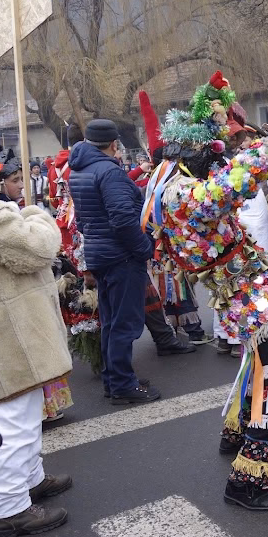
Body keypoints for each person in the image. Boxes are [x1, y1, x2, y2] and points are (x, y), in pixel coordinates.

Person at [143, 72, 268, 511]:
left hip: (248, 290)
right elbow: (231, 182)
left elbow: (233, 175)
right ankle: (249, 481)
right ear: (188, 151)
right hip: (248, 296)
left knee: (259, 367)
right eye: (209, 150)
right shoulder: (182, 194)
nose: (217, 156)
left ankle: (235, 433)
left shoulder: (174, 181)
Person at [0, 137, 73, 537]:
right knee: (14, 418)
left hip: (9, 324)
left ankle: (30, 479)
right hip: (9, 329)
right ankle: (10, 507)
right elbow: (36, 251)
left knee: (25, 409)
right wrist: (37, 215)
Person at [68, 119, 161, 404]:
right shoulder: (109, 172)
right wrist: (144, 247)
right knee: (125, 322)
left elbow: (82, 220)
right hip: (121, 255)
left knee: (110, 320)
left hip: (99, 253)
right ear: (113, 144)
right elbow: (122, 219)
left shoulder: (79, 170)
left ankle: (114, 378)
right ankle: (122, 385)